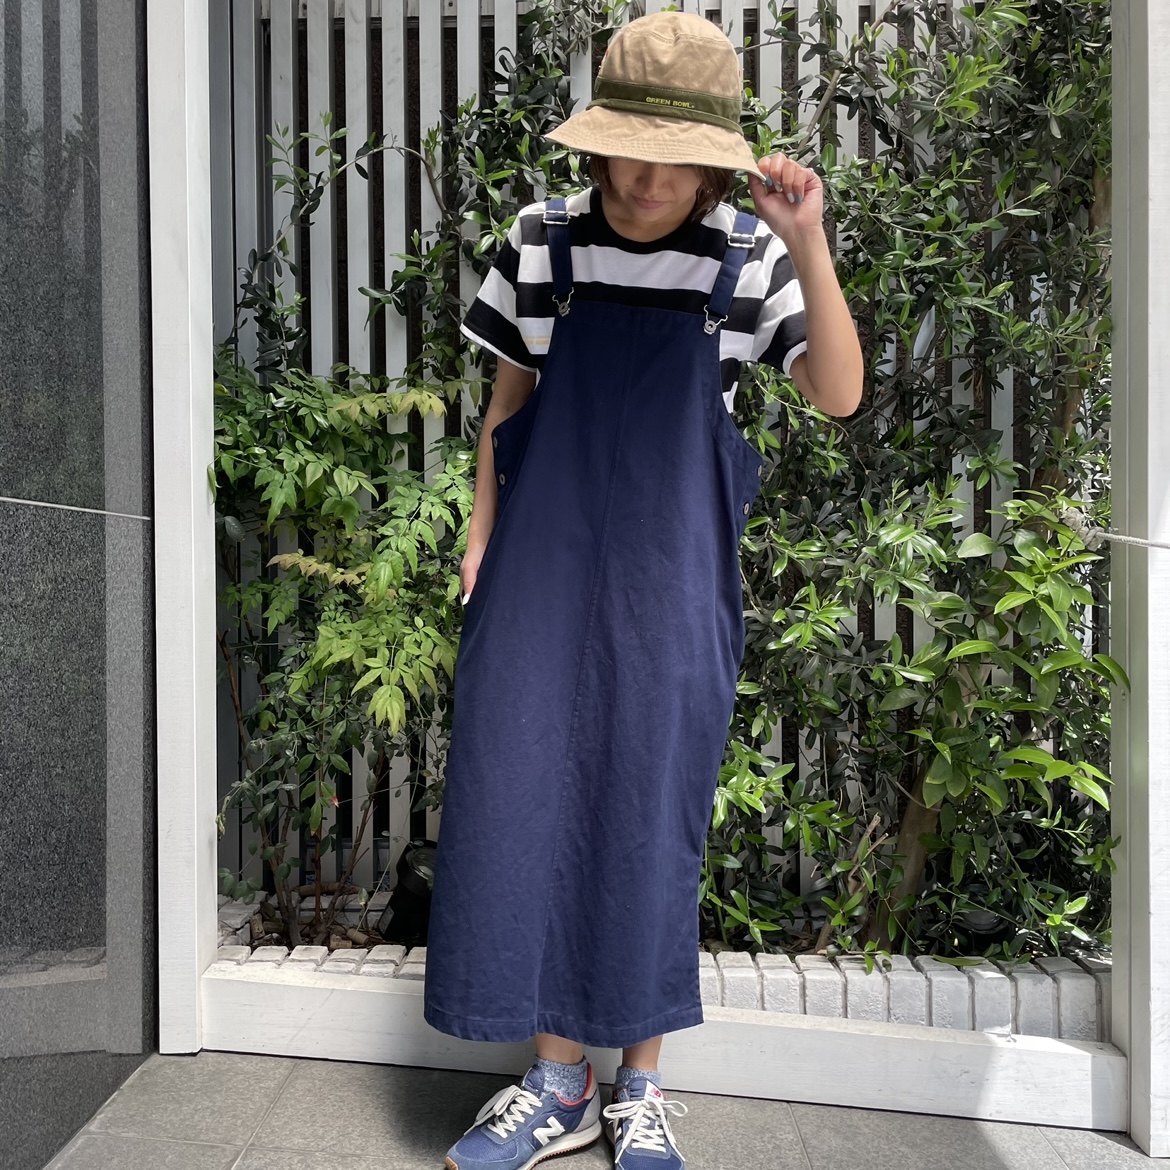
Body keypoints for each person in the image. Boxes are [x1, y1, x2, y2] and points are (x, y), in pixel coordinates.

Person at [424, 11, 862, 1170]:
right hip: (538, 571)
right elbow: (509, 403)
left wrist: (808, 242)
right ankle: (556, 1080)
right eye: (627, 149)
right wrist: (481, 535)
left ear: (715, 163)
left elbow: (838, 393)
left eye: (674, 159)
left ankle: (639, 1087)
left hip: (672, 584)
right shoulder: (543, 242)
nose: (645, 177)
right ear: (598, 139)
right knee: (520, 797)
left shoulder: (745, 259)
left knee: (645, 810)